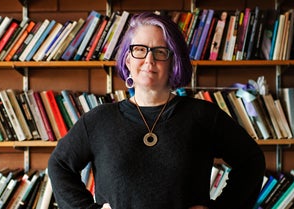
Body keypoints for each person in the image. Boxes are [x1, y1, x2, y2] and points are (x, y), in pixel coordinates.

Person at [48, 12, 266, 209]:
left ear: (173, 62)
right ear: (127, 59)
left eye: (160, 51)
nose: (149, 59)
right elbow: (59, 165)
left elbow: (251, 160)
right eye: (140, 50)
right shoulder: (99, 120)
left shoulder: (203, 116)